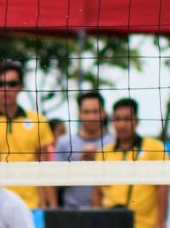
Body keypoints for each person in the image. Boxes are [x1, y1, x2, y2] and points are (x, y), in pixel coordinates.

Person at [0, 59, 56, 209]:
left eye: (12, 84)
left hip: (30, 204)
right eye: (1, 84)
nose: (6, 89)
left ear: (21, 87)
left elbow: (45, 170)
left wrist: (52, 208)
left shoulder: (38, 121)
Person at [92, 98, 168, 228]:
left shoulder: (155, 147)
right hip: (111, 223)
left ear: (137, 121)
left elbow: (163, 187)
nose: (122, 125)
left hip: (145, 225)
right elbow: (97, 193)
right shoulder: (104, 152)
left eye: (127, 119)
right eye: (117, 119)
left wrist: (160, 223)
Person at [55, 90, 113, 208]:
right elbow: (55, 183)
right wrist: (79, 163)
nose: (91, 116)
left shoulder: (114, 143)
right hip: (71, 212)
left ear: (103, 113)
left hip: (106, 212)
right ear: (79, 114)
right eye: (86, 112)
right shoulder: (64, 142)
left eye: (95, 112)